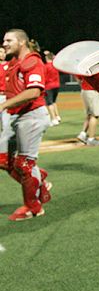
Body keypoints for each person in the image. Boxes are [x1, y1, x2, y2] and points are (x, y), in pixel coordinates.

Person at [0, 29, 52, 221]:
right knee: (4, 160)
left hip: (32, 116)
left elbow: (34, 92)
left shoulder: (32, 61)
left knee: (24, 164)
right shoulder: (14, 62)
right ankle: (40, 181)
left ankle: (33, 207)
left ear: (21, 42)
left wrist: (3, 105)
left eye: (9, 40)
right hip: (16, 116)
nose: (4, 44)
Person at [76, 76, 99, 146]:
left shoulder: (84, 68)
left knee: (90, 114)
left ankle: (83, 134)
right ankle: (91, 139)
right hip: (93, 91)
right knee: (95, 115)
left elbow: (78, 77)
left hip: (85, 90)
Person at [43, 50, 61, 126]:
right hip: (56, 85)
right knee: (53, 102)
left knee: (49, 103)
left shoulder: (46, 66)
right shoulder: (55, 65)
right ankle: (57, 116)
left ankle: (53, 119)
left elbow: (44, 77)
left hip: (48, 86)